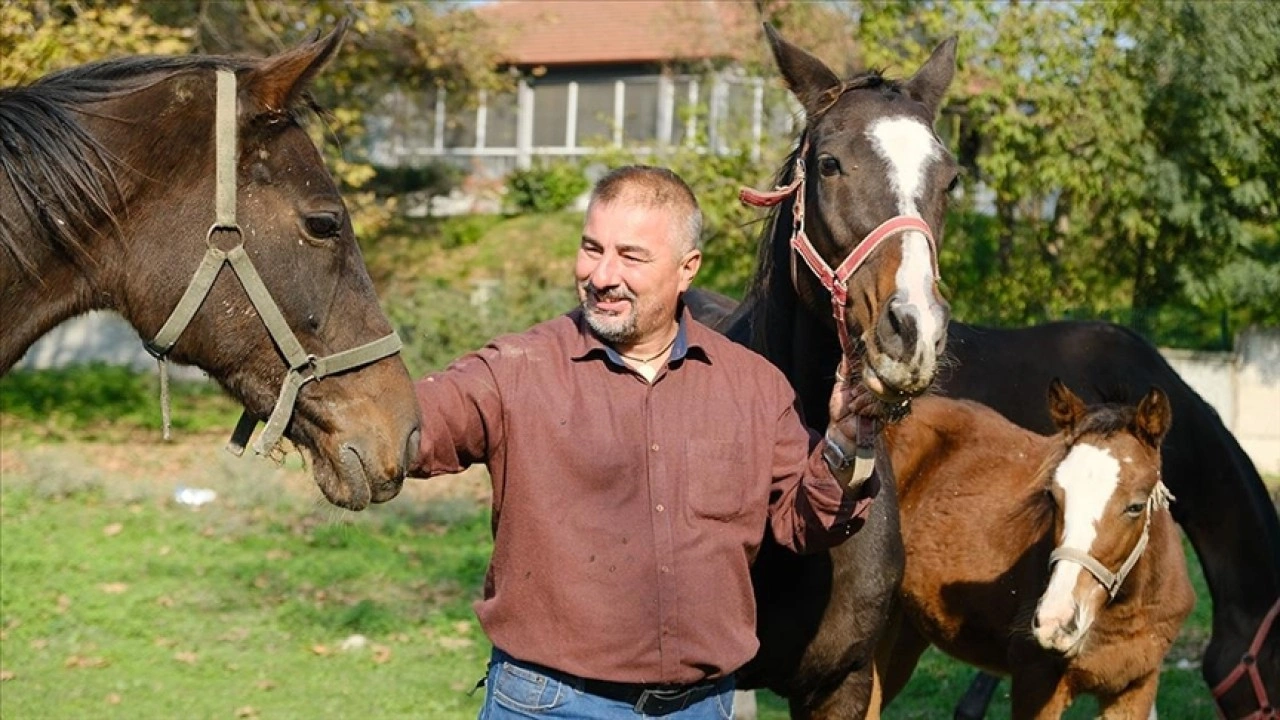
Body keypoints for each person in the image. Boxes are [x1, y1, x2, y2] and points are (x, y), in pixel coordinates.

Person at [410, 165, 877, 719]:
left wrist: (846, 444)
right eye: (591, 248)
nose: (602, 275)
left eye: (631, 257)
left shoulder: (752, 386)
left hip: (702, 707)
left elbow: (804, 522)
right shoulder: (516, 369)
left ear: (687, 270)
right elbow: (408, 429)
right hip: (548, 705)